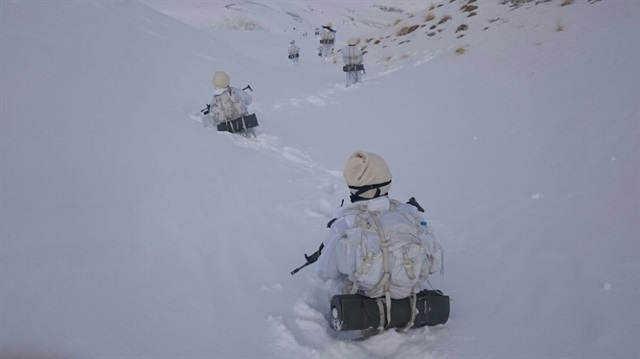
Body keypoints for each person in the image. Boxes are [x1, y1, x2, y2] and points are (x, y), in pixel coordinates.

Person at [305, 151, 443, 299]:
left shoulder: (348, 221)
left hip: (363, 304)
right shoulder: (410, 214)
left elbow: (326, 271)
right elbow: (433, 263)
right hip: (410, 299)